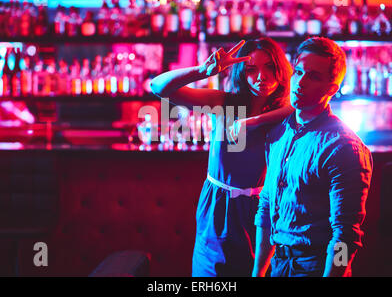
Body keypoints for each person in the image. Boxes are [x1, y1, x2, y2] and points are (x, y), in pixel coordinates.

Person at [150, 38, 294, 276]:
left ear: (281, 69)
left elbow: (306, 106)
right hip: (220, 204)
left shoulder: (285, 112)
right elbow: (158, 87)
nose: (262, 76)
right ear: (240, 72)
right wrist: (201, 71)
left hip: (264, 209)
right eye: (251, 69)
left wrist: (254, 121)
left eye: (270, 67)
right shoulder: (224, 103)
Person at [252, 37, 373, 277]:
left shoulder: (343, 147)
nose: (300, 82)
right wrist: (258, 272)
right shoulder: (279, 133)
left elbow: (345, 236)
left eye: (314, 76)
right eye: (298, 71)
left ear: (332, 88)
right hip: (279, 264)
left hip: (316, 267)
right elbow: (266, 207)